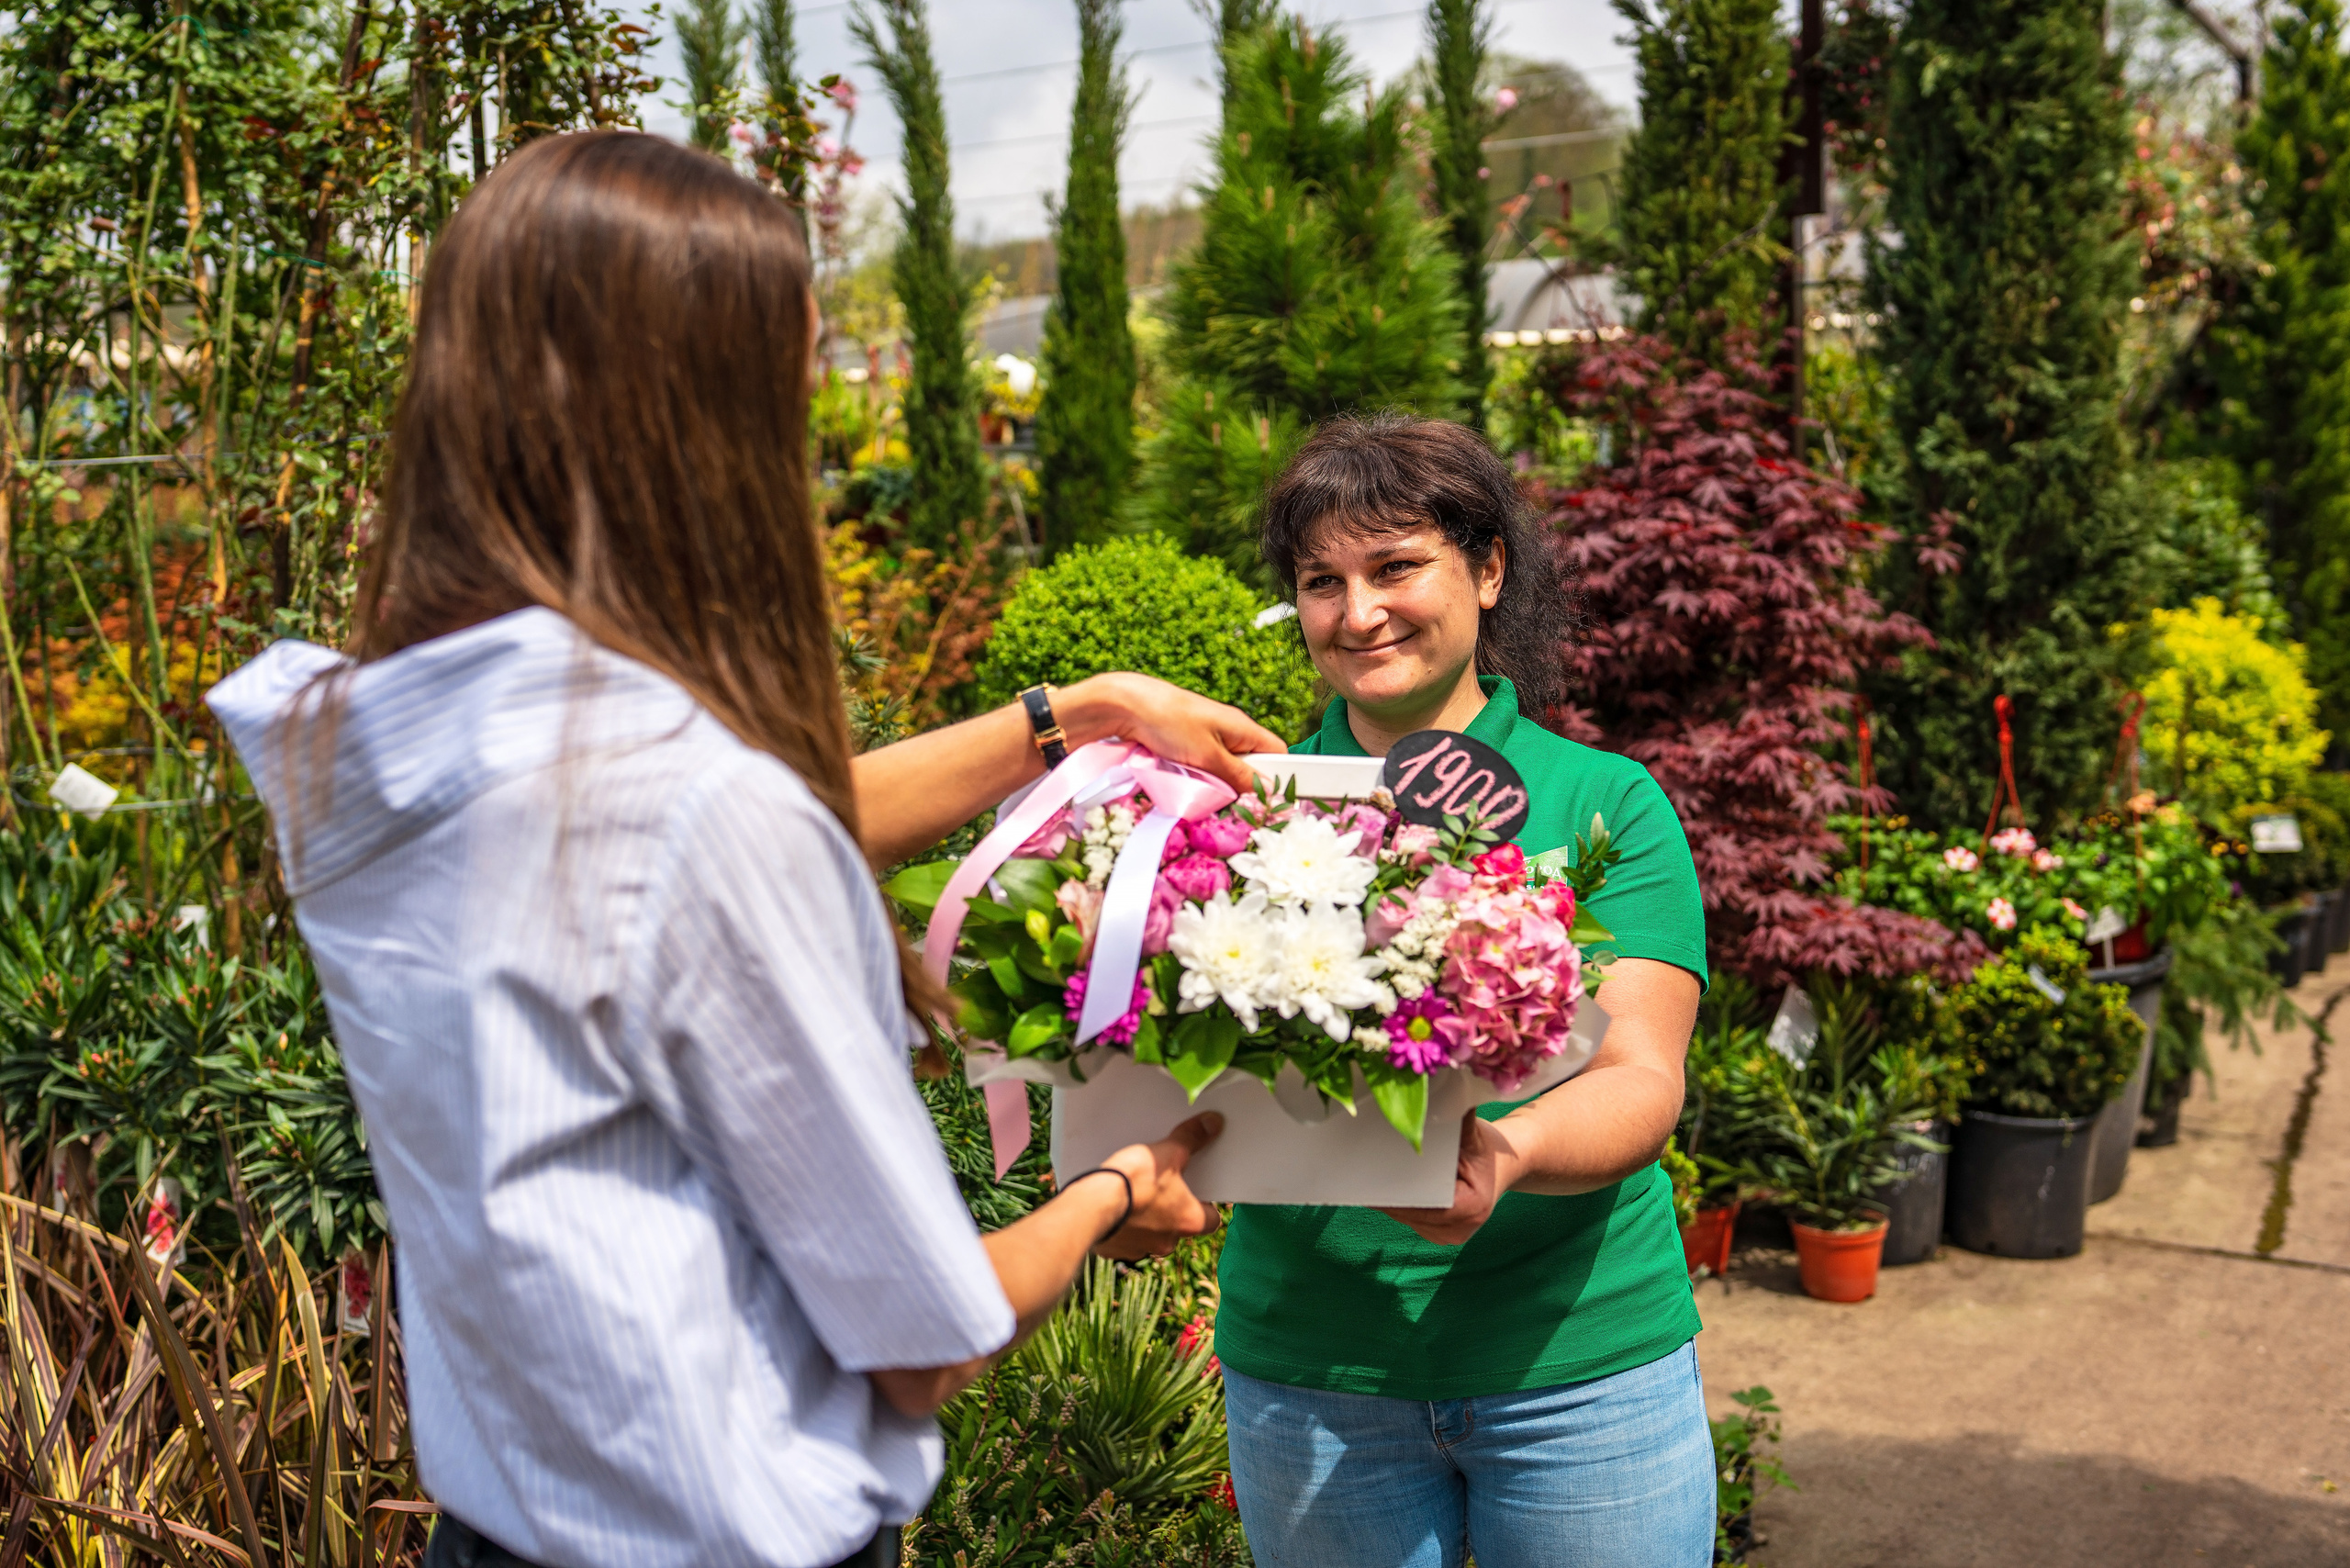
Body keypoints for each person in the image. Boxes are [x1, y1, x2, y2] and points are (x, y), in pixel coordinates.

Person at [207, 130, 1286, 1568]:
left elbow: (668, 845)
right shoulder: (694, 817)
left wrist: (1069, 715)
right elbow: (921, 1343)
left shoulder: (369, 746)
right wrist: (1111, 1191)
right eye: (795, 383)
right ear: (699, 429)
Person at [1214, 413, 1715, 1568]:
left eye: (1395, 567)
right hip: (1315, 1370)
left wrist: (1510, 1152)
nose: (1358, 613)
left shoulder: (1606, 804)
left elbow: (1641, 1075)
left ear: (1487, 569)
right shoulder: (1243, 814)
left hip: (1577, 1366)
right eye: (1321, 581)